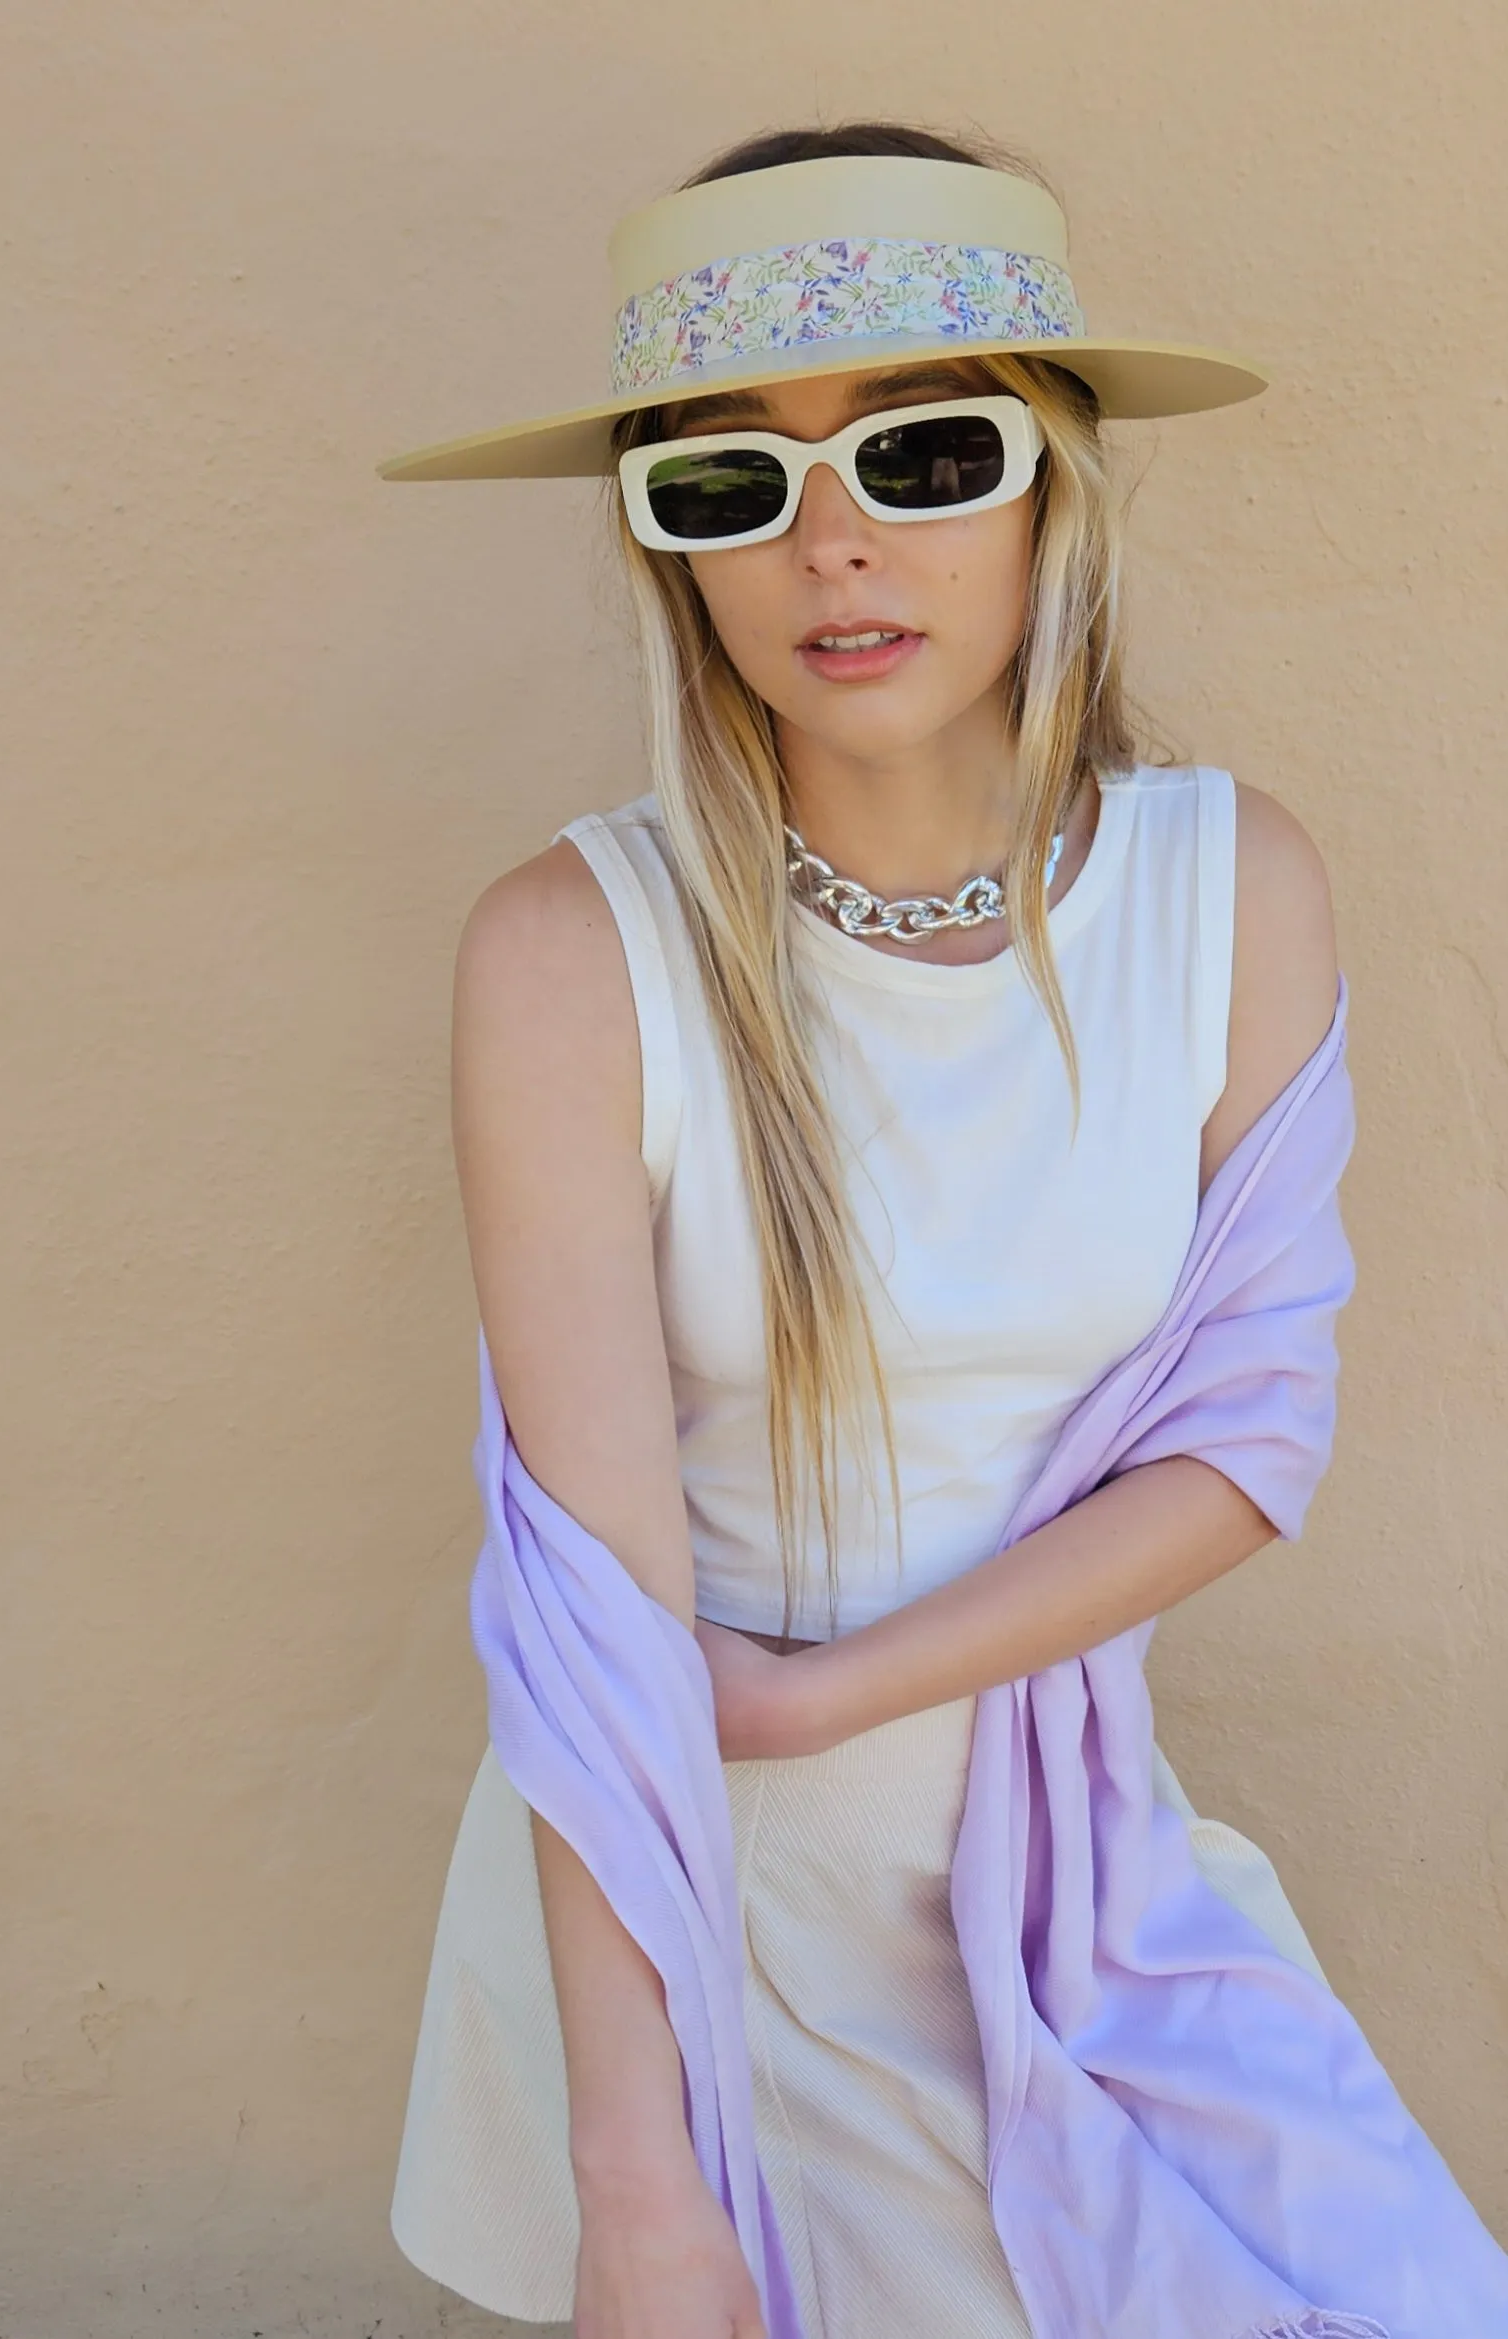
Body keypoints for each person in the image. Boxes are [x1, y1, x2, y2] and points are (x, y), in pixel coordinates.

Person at [373, 123, 1458, 2338]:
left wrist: (829, 1693)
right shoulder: (575, 953)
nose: (833, 546)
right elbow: (589, 1636)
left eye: (924, 449)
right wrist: (638, 2178)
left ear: (1052, 483)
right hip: (695, 1905)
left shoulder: (1226, 891)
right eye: (726, 485)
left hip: (1077, 1875)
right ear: (665, 551)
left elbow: (1243, 1437)